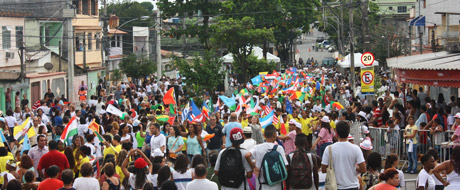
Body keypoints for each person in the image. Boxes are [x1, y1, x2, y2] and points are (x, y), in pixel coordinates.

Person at [321, 121, 366, 190]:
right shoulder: (356, 148)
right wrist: (355, 168)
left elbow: (323, 169)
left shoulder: (329, 149)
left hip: (335, 186)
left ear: (336, 133)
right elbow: (363, 169)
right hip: (352, 185)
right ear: (348, 132)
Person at [245, 124, 288, 190]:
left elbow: (247, 155)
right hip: (277, 184)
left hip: (261, 185)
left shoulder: (257, 147)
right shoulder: (279, 148)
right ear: (275, 135)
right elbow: (285, 167)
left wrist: (253, 167)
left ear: (264, 135)